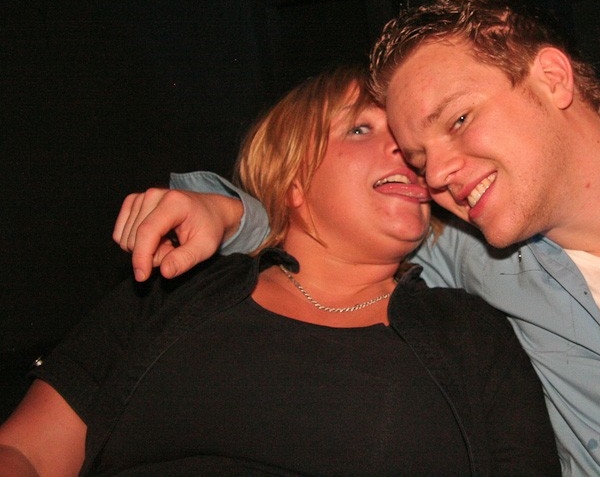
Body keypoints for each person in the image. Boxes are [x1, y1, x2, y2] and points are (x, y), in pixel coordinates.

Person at [111, 0, 600, 476]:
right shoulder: (472, 249)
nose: (435, 174)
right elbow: (329, 229)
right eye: (418, 158)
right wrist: (227, 211)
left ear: (551, 79)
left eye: (459, 120)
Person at [0, 65, 560, 476]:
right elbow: (26, 451)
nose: (407, 153)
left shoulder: (471, 333)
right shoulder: (172, 290)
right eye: (360, 130)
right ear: (293, 180)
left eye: (409, 143)